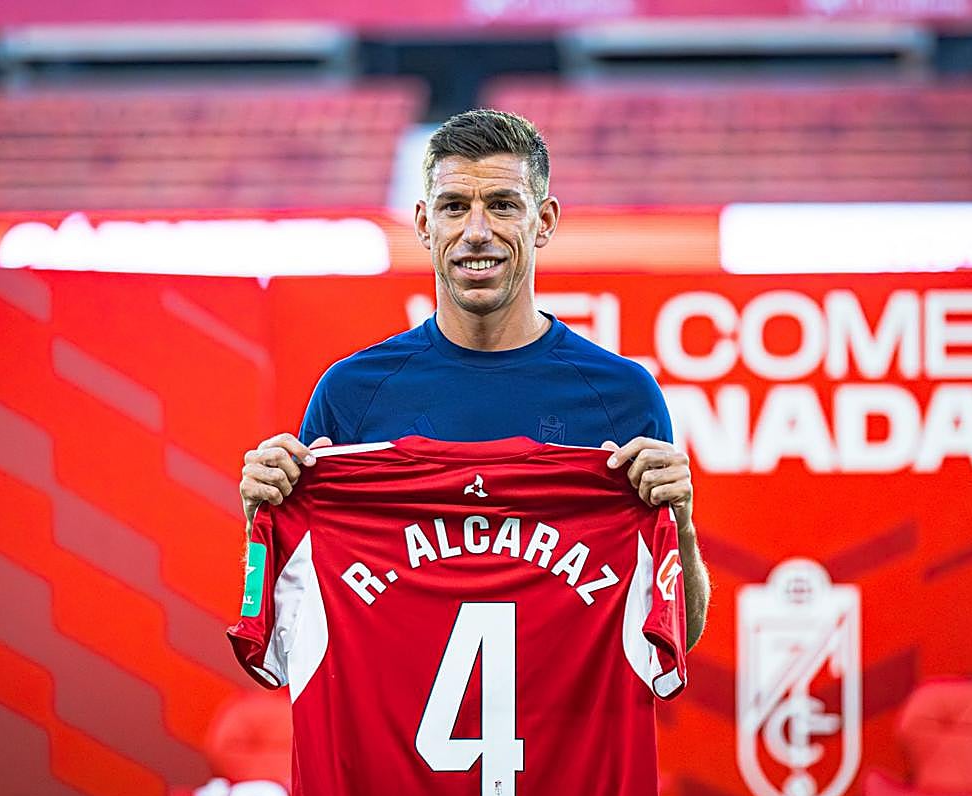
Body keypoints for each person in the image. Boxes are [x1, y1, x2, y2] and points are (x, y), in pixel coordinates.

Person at [239, 108, 710, 649]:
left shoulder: (622, 396)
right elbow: (291, 632)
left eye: (503, 206)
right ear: (423, 224)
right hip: (392, 732)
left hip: (566, 733)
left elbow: (679, 637)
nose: (476, 232)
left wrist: (683, 525)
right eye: (454, 207)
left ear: (546, 221)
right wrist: (261, 524)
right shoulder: (352, 393)